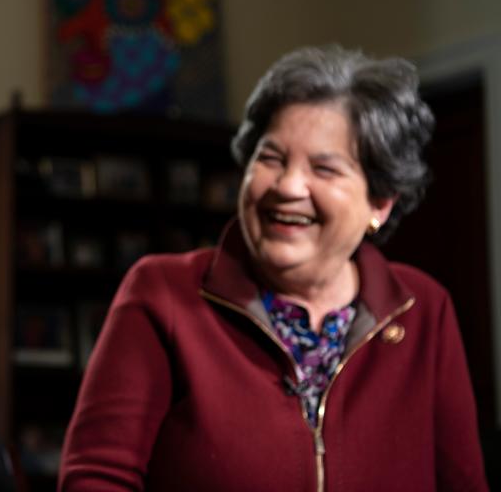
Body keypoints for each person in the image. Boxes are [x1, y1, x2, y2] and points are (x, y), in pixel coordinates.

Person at [58, 46, 488, 491]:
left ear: (379, 202)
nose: (287, 187)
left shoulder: (424, 310)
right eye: (271, 158)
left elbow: (463, 483)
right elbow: (96, 479)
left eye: (324, 168)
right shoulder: (162, 293)